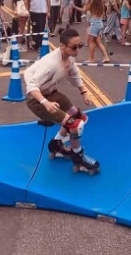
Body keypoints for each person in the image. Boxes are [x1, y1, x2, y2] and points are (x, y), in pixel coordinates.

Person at [23, 28, 101, 173]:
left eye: (80, 45)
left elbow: (74, 74)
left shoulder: (69, 58)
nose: (77, 50)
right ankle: (79, 158)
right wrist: (45, 103)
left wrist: (84, 92)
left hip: (52, 93)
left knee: (80, 117)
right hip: (36, 99)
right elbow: (31, 86)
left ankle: (56, 144)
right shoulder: (51, 63)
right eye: (74, 47)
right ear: (62, 46)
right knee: (75, 125)